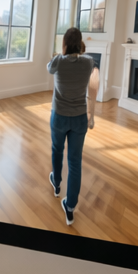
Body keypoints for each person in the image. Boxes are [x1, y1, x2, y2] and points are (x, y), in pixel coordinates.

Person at [45, 27, 100, 226]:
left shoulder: (58, 61)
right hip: (78, 119)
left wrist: (63, 52)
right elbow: (92, 68)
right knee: (75, 162)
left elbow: (48, 68)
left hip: (59, 116)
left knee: (57, 149)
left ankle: (57, 184)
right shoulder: (88, 62)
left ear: (65, 43)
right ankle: (70, 208)